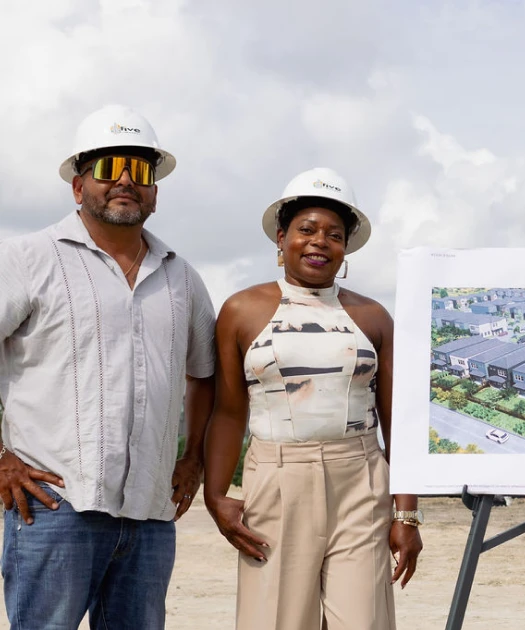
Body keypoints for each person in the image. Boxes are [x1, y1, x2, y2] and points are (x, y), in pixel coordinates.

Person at [0, 105, 216, 629]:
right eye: (108, 167)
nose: (124, 180)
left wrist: (195, 460)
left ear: (155, 193)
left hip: (150, 512)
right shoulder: (28, 260)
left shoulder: (181, 278)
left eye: (139, 170)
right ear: (79, 187)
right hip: (54, 504)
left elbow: (204, 374)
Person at [203, 167, 422, 629]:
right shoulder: (242, 310)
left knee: (364, 621)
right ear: (281, 239)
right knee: (278, 620)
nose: (320, 241)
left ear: (346, 250)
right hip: (278, 477)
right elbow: (227, 412)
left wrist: (407, 514)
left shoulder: (373, 316)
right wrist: (216, 495)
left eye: (335, 235)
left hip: (361, 480)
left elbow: (397, 422)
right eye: (307, 229)